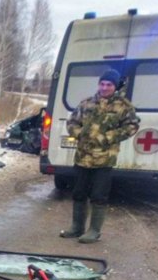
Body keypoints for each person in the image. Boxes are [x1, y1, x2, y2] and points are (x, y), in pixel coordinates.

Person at [59, 69, 139, 243]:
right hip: (83, 157)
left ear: (114, 86)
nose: (104, 87)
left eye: (109, 84)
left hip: (104, 159)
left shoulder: (123, 106)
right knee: (79, 193)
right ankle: (77, 227)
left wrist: (108, 137)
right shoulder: (86, 103)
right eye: (102, 84)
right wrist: (80, 134)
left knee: (98, 195)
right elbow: (72, 122)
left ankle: (94, 231)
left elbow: (132, 126)